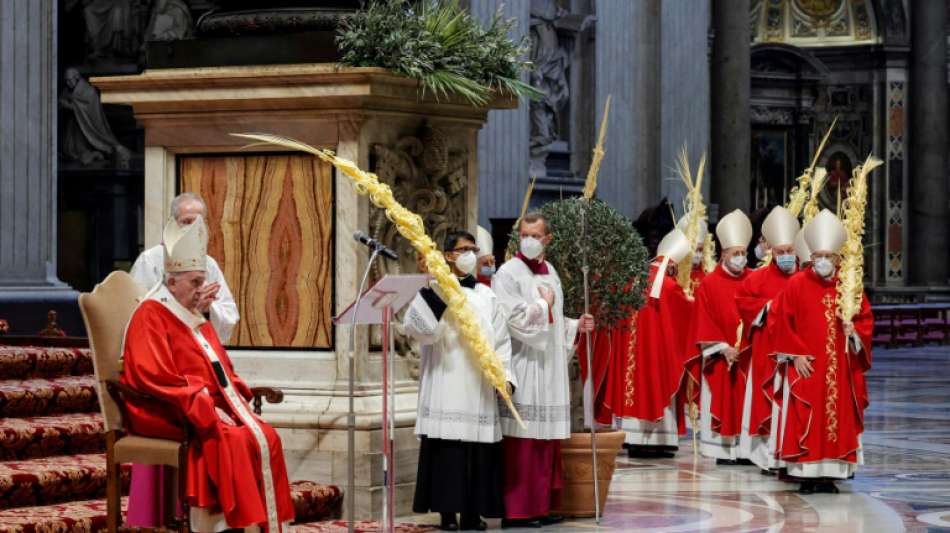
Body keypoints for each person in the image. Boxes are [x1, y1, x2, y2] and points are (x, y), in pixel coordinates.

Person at [121, 216, 295, 531]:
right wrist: (204, 404)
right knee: (229, 437)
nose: (202, 290)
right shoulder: (150, 314)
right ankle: (222, 526)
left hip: (198, 403)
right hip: (165, 408)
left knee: (266, 435)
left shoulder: (190, 313)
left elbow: (219, 366)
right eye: (195, 283)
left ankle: (256, 525)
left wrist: (232, 396)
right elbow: (152, 376)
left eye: (203, 281)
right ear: (171, 282)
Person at [404, 230, 516, 531]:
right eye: (463, 249)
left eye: (472, 249)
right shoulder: (436, 289)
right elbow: (422, 331)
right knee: (448, 451)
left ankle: (471, 512)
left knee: (477, 454)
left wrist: (505, 377)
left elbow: (501, 341)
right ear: (448, 255)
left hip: (478, 385)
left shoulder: (486, 295)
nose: (469, 255)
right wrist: (436, 288)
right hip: (447, 379)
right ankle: (447, 513)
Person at [493, 212, 595, 528]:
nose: (529, 241)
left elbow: (553, 323)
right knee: (523, 441)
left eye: (536, 236)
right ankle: (519, 510)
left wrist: (575, 325)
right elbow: (509, 320)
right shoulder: (507, 273)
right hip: (524, 362)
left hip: (548, 366)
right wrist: (543, 307)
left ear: (547, 239)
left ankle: (544, 506)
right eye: (525, 234)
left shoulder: (550, 272)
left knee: (546, 440)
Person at [769, 209, 873, 494]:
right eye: (819, 257)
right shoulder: (796, 284)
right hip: (809, 364)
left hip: (840, 367)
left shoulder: (849, 286)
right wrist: (795, 354)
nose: (824, 262)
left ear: (838, 259)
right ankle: (807, 474)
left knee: (837, 418)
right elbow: (780, 322)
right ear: (811, 257)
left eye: (830, 257)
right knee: (808, 416)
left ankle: (830, 475)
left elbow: (865, 321)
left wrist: (855, 335)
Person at [682, 209, 753, 465]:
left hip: (746, 356)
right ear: (723, 255)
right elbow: (703, 321)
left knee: (746, 403)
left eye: (744, 253)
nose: (741, 259)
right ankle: (722, 450)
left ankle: (746, 451)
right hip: (720, 357)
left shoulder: (754, 280)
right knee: (722, 398)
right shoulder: (710, 284)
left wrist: (745, 346)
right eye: (736, 254)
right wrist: (724, 348)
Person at [735, 206, 800, 472]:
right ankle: (766, 457)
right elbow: (743, 302)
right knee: (766, 403)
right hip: (767, 351)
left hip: (797, 354)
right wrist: (770, 308)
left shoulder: (804, 278)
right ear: (772, 251)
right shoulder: (758, 278)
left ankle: (792, 453)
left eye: (789, 251)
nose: (785, 256)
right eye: (780, 251)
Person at [616, 229, 692, 458]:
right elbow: (686, 312)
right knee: (658, 382)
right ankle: (660, 439)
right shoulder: (668, 286)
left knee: (636, 385)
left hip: (634, 348)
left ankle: (634, 437)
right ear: (671, 265)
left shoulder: (634, 278)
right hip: (658, 350)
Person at [130, 192, 239, 343]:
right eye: (186, 221)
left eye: (198, 223)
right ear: (174, 223)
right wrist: (187, 308)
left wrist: (207, 310)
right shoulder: (149, 261)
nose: (192, 229)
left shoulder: (209, 264)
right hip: (161, 343)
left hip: (199, 343)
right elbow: (136, 310)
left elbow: (229, 314)